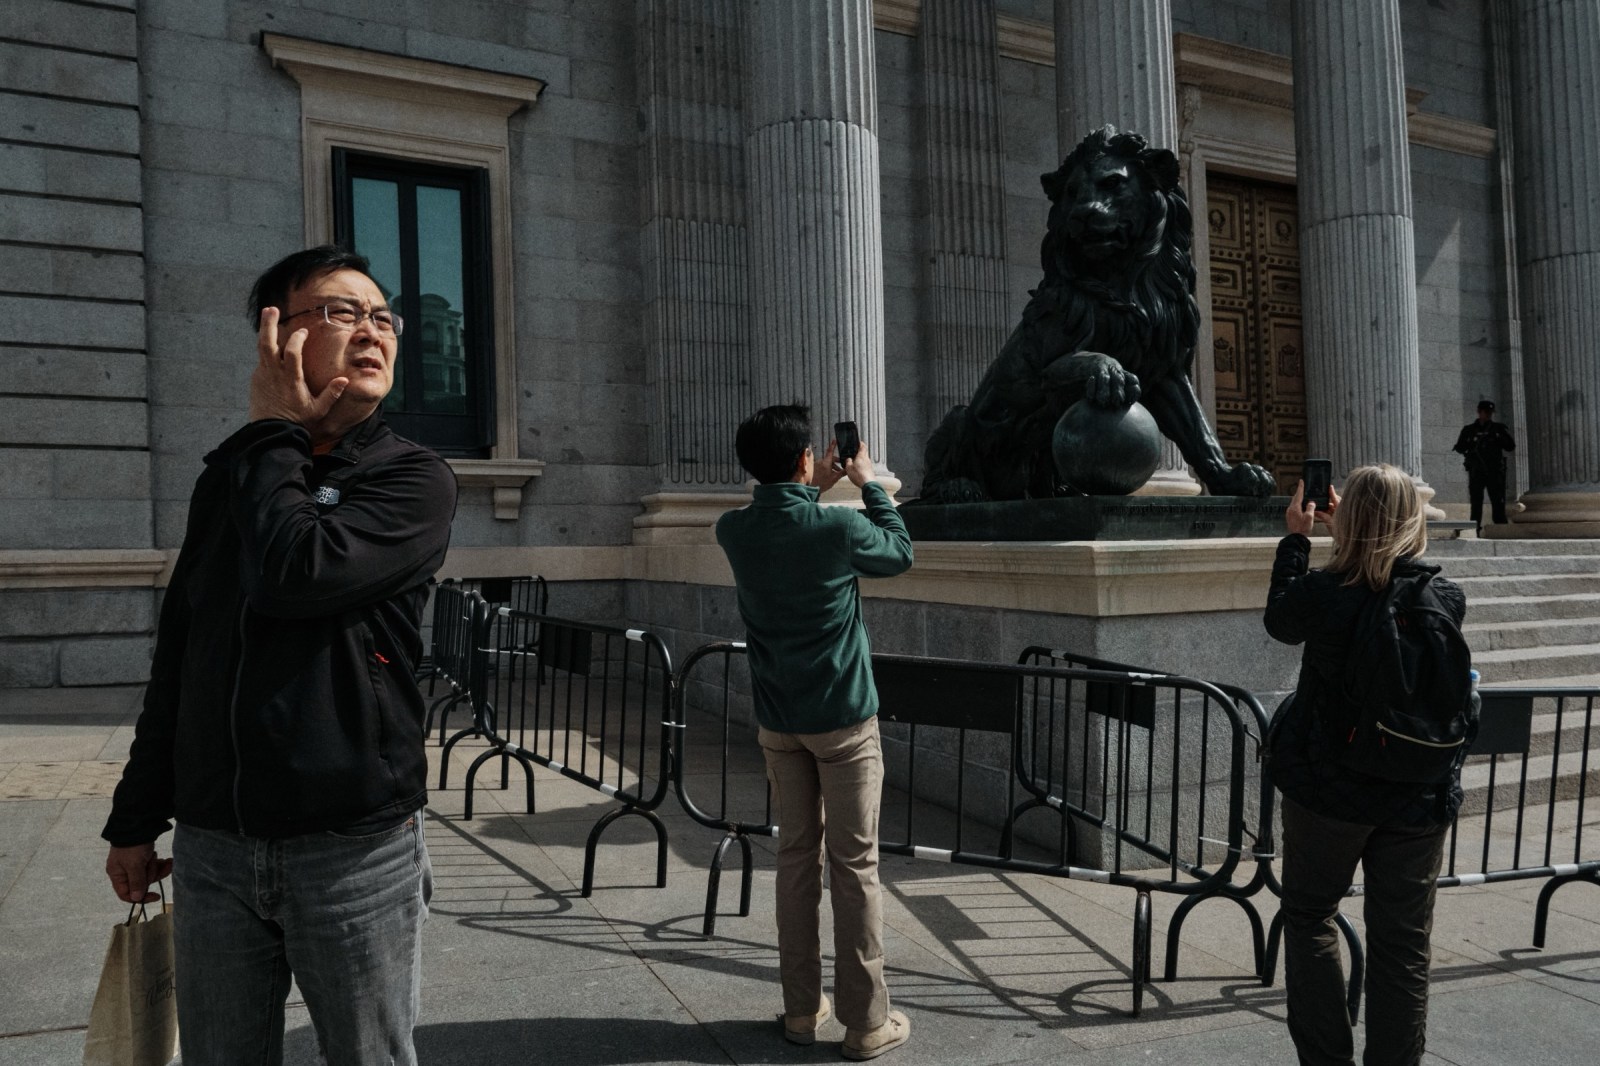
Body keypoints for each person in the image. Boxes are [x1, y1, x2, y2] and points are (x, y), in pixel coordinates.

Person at [101, 246, 457, 1066]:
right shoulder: (229, 478)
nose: (372, 331)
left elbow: (298, 572)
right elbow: (184, 654)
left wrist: (270, 433)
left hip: (352, 851)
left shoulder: (412, 478)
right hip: (215, 849)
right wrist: (134, 817)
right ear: (276, 337)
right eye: (340, 312)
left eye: (381, 316)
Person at [715, 405, 915, 1060]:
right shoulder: (836, 529)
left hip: (779, 719)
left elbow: (780, 516)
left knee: (796, 861)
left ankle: (801, 1011)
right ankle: (865, 1024)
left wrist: (812, 484)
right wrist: (868, 486)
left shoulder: (733, 531)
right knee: (854, 866)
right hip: (843, 718)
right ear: (807, 459)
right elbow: (899, 555)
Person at [1263, 464, 1468, 1066]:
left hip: (1331, 791)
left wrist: (1300, 538)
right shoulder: (1446, 597)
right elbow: (1382, 580)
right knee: (1403, 947)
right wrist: (1354, 536)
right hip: (1418, 793)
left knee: (1309, 916)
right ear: (1413, 521)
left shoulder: (1325, 595)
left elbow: (1281, 618)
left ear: (1349, 517)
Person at [1451, 399, 1515, 530]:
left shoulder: (1498, 429)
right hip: (1477, 470)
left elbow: (1510, 446)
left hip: (1494, 470)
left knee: (1498, 501)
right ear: (1479, 412)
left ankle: (1500, 528)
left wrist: (1498, 437)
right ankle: (1475, 528)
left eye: (1490, 412)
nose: (1488, 415)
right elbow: (1460, 447)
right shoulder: (1469, 430)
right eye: (1486, 412)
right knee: (1476, 502)